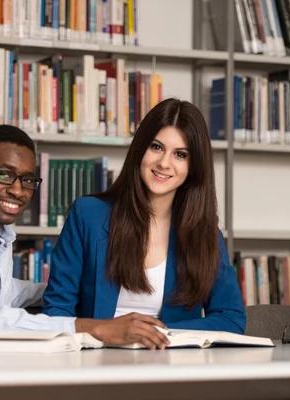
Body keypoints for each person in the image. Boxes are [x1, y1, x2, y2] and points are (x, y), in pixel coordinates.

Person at [0, 124, 171, 347]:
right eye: (4, 175)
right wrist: (91, 326)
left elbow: (5, 292)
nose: (18, 190)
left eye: (27, 180)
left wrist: (75, 288)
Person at [42, 98, 246, 349]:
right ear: (140, 149)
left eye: (180, 154)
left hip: (169, 364)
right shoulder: (87, 215)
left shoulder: (205, 234)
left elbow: (232, 319)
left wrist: (154, 333)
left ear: (193, 167)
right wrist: (107, 333)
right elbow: (56, 312)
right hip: (91, 361)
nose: (164, 163)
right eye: (156, 147)